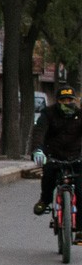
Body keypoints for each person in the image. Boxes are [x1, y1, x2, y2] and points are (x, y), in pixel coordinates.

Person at [33, 86, 82, 214]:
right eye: (63, 100)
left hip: (76, 156)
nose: (67, 103)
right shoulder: (48, 113)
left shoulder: (80, 115)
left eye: (69, 100)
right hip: (54, 155)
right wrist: (38, 150)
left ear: (74, 101)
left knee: (81, 190)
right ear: (57, 101)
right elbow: (39, 132)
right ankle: (44, 201)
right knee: (48, 178)